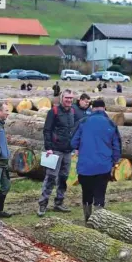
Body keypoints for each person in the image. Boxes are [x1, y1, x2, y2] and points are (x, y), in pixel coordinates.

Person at [71, 99, 122, 223]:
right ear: (104, 108)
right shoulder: (111, 124)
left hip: (85, 166)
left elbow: (73, 142)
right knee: (100, 194)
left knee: (87, 193)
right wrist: (114, 161)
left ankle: (88, 219)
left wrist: (79, 148)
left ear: (92, 108)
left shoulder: (83, 122)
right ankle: (99, 221)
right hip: (103, 166)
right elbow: (117, 147)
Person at [37, 89, 75, 217]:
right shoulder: (53, 111)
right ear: (61, 98)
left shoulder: (72, 112)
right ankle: (43, 204)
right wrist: (48, 147)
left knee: (63, 178)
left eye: (71, 98)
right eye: (67, 98)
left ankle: (59, 202)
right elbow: (47, 130)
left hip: (68, 151)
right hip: (55, 150)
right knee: (51, 178)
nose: (69, 100)